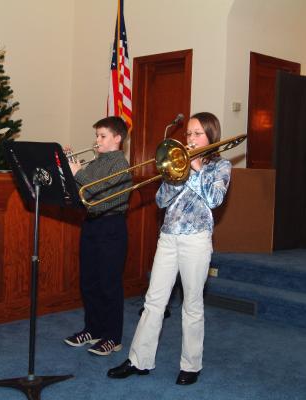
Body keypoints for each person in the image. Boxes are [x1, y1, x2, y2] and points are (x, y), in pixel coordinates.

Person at [107, 112, 232, 384]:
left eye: (197, 133)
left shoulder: (220, 167)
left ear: (211, 135)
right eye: (188, 133)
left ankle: (191, 365)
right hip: (168, 237)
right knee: (153, 301)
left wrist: (197, 170)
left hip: (196, 240)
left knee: (192, 304)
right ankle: (139, 360)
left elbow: (214, 199)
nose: (190, 138)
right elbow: (161, 201)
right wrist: (175, 174)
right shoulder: (177, 161)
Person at [63, 116, 132, 356]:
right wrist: (69, 168)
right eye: (97, 136)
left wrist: (78, 172)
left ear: (117, 138)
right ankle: (93, 329)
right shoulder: (95, 163)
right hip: (91, 225)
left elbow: (101, 194)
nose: (97, 140)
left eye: (102, 136)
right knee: (89, 282)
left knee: (108, 284)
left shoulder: (121, 165)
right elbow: (82, 192)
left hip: (111, 226)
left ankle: (113, 337)